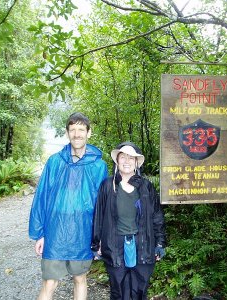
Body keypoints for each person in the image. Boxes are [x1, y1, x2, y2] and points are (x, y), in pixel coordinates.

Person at [29, 112, 108, 300]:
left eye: (81, 129)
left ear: (89, 133)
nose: (77, 134)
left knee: (80, 278)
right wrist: (39, 233)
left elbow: (103, 205)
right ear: (67, 133)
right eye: (72, 130)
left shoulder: (99, 166)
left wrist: (101, 236)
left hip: (83, 231)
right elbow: (41, 197)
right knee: (50, 282)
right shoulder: (55, 162)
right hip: (55, 231)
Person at [92, 142, 166, 300]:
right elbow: (98, 216)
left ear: (136, 162)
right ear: (117, 161)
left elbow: (157, 216)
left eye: (131, 158)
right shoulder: (107, 185)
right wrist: (96, 243)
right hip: (114, 245)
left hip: (143, 244)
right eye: (123, 157)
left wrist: (159, 243)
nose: (126, 161)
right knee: (118, 291)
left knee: (140, 290)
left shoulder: (147, 187)